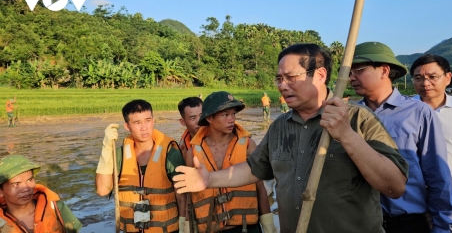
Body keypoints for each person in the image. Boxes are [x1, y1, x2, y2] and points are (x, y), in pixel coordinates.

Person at [173, 43, 409, 233]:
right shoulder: (280, 126)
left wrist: (346, 135)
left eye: (291, 77)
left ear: (320, 74)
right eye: (279, 79)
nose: (282, 86)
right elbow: (256, 168)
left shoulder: (358, 119)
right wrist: (209, 180)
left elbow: (394, 186)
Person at [350, 42, 452, 233]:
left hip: (408, 223)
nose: (351, 77)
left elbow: (437, 174)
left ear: (384, 71)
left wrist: (443, 226)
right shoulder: (350, 116)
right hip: (362, 223)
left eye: (358, 70)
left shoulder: (418, 113)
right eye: (349, 72)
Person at [184, 91, 276, 233]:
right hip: (210, 228)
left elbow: (260, 187)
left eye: (233, 114)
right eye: (225, 115)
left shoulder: (248, 145)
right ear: (209, 118)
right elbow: (189, 196)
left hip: (246, 227)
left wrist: (268, 222)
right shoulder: (192, 154)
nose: (232, 119)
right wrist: (186, 227)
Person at [95, 99, 187, 233]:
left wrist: (184, 227)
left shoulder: (170, 154)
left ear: (153, 120)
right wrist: (107, 149)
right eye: (137, 123)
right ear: (127, 126)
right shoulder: (119, 155)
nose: (144, 127)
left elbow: (182, 197)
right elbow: (103, 190)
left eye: (148, 120)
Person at [410, 54, 452, 233]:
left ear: (448, 78)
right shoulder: (404, 112)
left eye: (432, 77)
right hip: (419, 192)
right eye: (418, 78)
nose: (425, 83)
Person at [0, 155, 82, 232]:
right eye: (16, 184)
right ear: (1, 191)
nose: (26, 188)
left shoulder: (57, 208)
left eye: (30, 180)